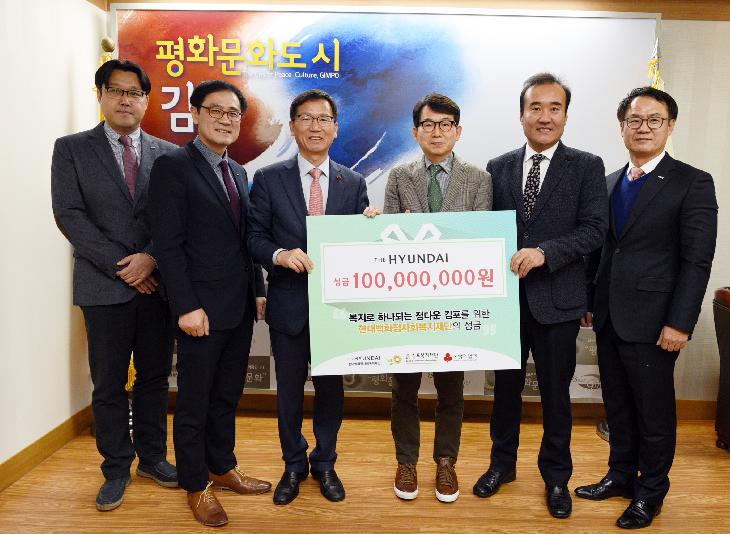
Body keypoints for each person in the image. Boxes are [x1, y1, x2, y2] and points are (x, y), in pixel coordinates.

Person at [575, 87, 717, 529]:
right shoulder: (608, 181)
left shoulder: (692, 182)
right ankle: (620, 476)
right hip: (608, 315)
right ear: (622, 127)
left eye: (654, 120)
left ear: (670, 126)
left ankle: (651, 492)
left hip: (657, 322)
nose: (643, 128)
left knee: (653, 413)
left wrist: (680, 322)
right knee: (617, 405)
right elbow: (601, 248)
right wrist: (590, 300)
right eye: (634, 120)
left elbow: (697, 260)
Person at [472, 73, 608, 519]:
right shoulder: (498, 167)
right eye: (536, 107)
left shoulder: (587, 166)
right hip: (505, 303)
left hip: (559, 301)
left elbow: (594, 230)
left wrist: (546, 252)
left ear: (566, 116)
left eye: (554, 108)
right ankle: (501, 465)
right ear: (521, 115)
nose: (544, 116)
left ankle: (556, 477)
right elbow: (482, 228)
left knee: (555, 396)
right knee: (504, 392)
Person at [51, 59, 178, 512]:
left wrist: (151, 259)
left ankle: (153, 459)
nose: (126, 100)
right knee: (107, 382)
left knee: (154, 378)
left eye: (134, 93)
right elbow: (69, 214)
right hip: (103, 286)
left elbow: (176, 217)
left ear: (146, 100)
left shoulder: (169, 153)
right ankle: (115, 467)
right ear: (101, 94)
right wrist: (123, 266)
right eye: (117, 90)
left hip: (157, 284)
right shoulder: (71, 149)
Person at [147, 80, 270, 527]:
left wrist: (258, 288)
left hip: (238, 307)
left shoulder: (237, 171)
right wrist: (185, 306)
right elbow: (168, 244)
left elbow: (244, 240)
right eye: (215, 110)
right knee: (195, 402)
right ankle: (196, 483)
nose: (225, 119)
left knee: (226, 396)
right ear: (196, 114)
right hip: (199, 309)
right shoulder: (173, 167)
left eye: (233, 112)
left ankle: (222, 466)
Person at [247, 89, 375, 506]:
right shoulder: (268, 178)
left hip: (336, 309)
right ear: (293, 126)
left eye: (323, 119)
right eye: (306, 118)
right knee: (288, 393)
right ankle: (292, 465)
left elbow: (361, 249)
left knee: (331, 392)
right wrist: (280, 255)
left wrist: (371, 228)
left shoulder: (353, 183)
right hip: (288, 304)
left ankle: (325, 463)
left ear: (336, 129)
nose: (315, 126)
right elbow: (253, 237)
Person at [383, 93, 491, 503]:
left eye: (445, 124)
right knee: (403, 389)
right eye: (428, 124)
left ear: (457, 131)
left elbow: (483, 240)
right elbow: (387, 240)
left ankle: (446, 462)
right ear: (415, 132)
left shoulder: (479, 179)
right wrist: (381, 224)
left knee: (451, 389)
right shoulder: (399, 176)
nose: (437, 132)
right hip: (407, 305)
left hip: (456, 304)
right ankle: (406, 461)